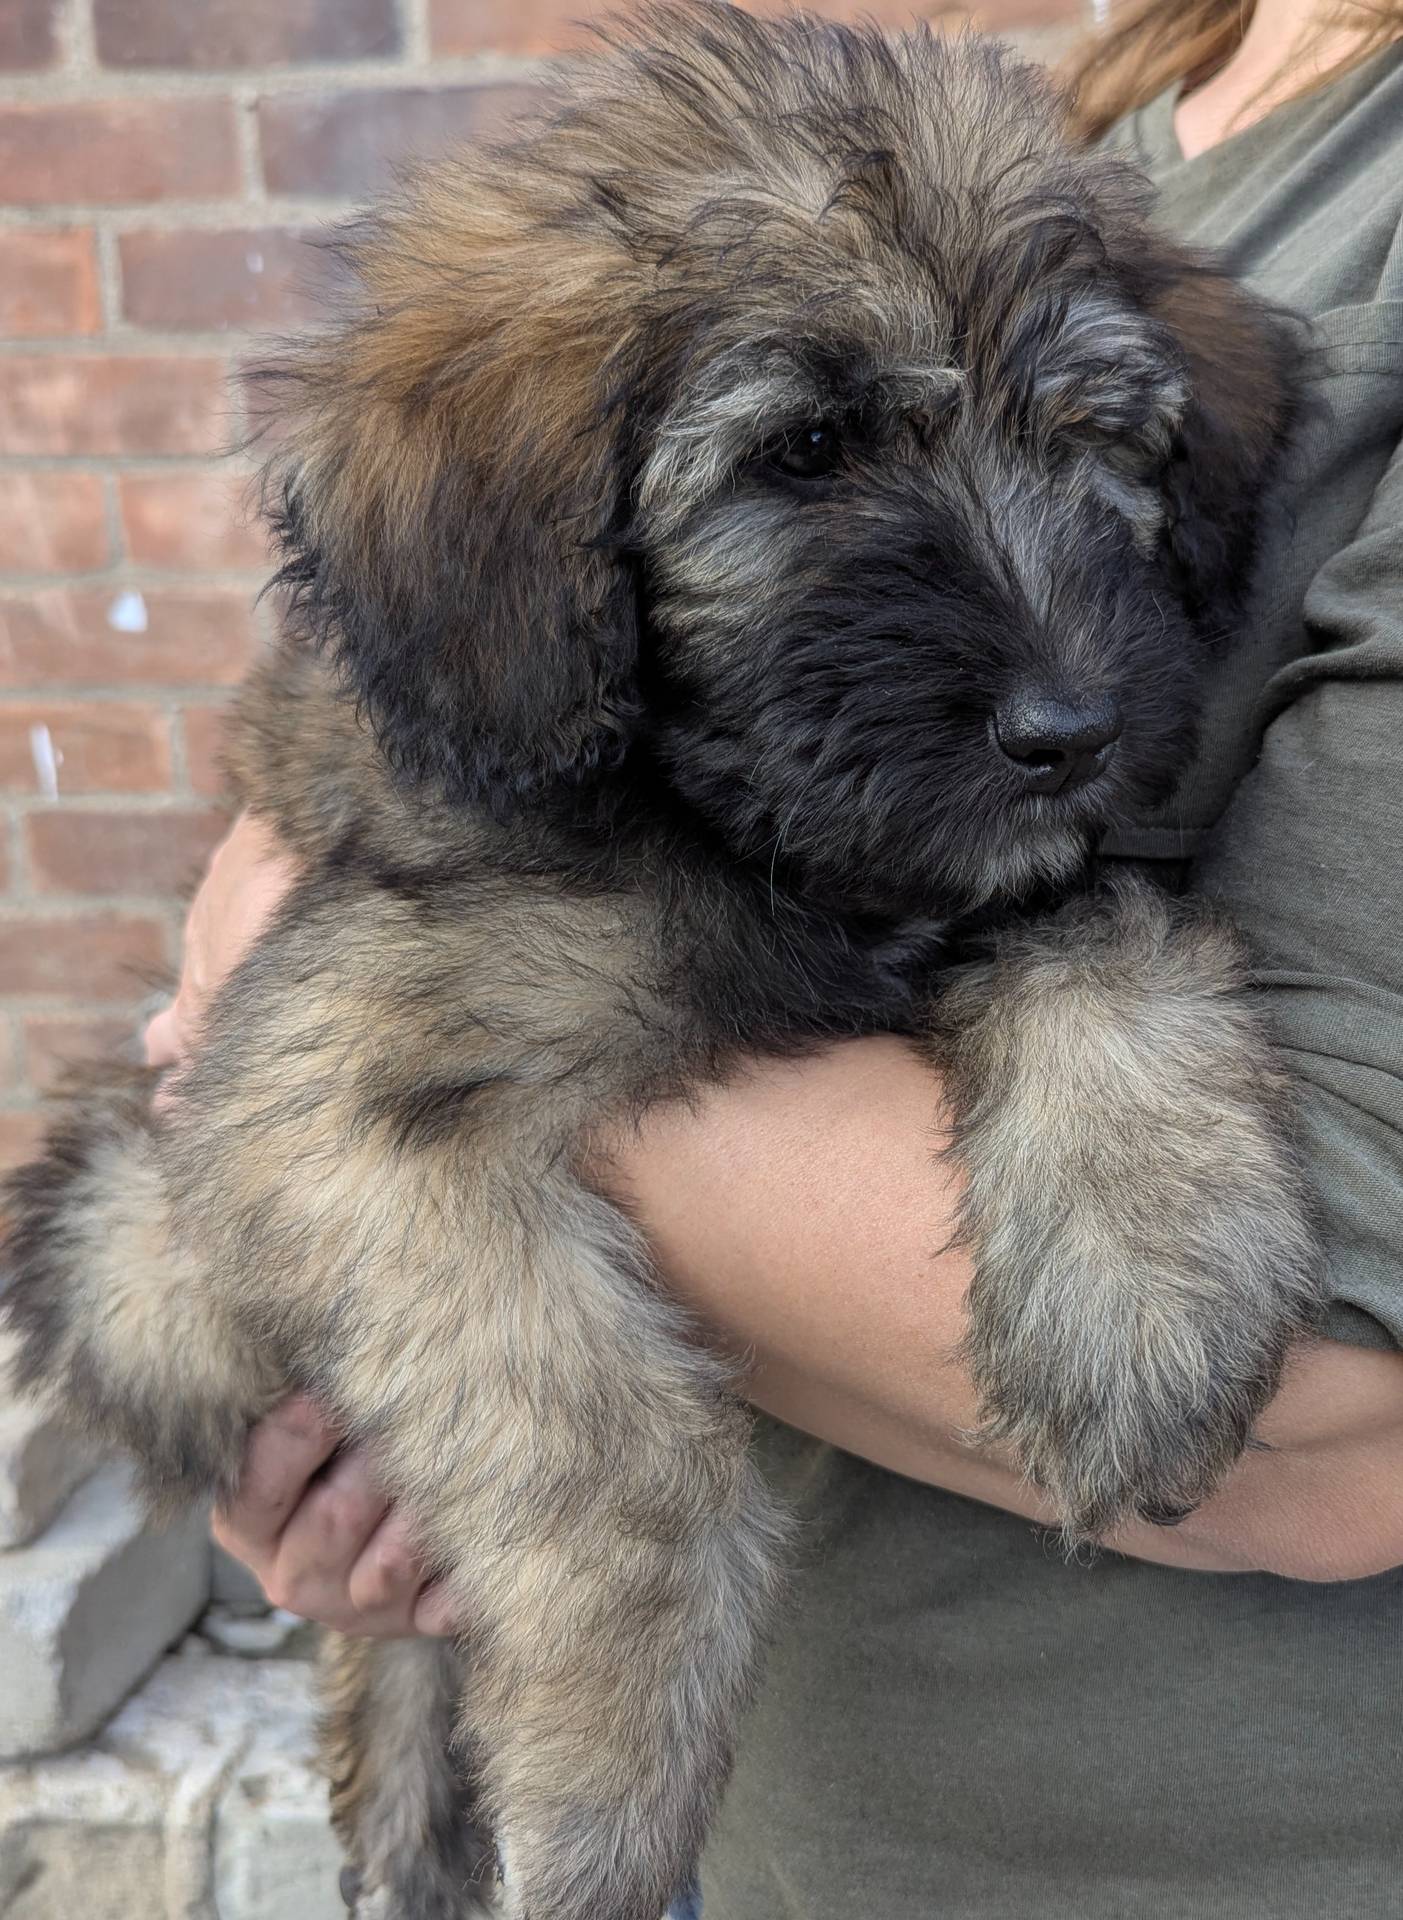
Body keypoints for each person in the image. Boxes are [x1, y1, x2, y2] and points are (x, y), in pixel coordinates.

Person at [146, 1, 1403, 1911]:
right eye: (806, 459)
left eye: (1087, 451)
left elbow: (1335, 1417)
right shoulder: (1117, 119)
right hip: (780, 1827)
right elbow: (299, 1089)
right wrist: (405, 1441)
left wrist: (328, 1000)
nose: (1060, 673)